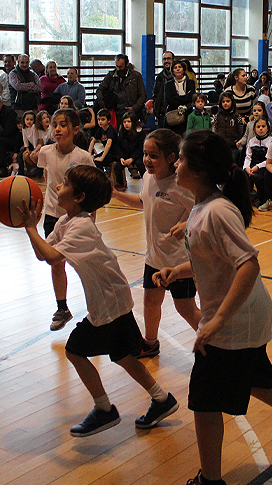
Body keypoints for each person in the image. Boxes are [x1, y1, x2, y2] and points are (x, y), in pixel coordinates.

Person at [154, 130, 272, 485]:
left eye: (181, 158)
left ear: (200, 168)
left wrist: (217, 320)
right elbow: (214, 260)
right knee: (250, 377)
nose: (176, 164)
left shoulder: (218, 211)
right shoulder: (203, 206)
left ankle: (210, 480)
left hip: (236, 317)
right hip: (240, 314)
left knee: (205, 401)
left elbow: (247, 264)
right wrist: (177, 270)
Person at [20, 164, 179, 437]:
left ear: (79, 196)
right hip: (112, 298)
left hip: (109, 302)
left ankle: (104, 409)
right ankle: (163, 400)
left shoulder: (81, 227)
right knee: (123, 356)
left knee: (74, 350)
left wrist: (30, 228)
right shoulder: (65, 222)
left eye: (65, 184)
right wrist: (31, 230)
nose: (58, 187)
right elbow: (43, 255)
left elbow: (52, 257)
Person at [111, 129, 200, 357]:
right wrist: (114, 194)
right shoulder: (148, 178)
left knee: (186, 308)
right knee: (150, 302)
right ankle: (150, 344)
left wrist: (186, 225)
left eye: (153, 156)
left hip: (179, 260)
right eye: (145, 154)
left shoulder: (182, 183)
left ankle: (217, 345)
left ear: (171, 157)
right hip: (154, 256)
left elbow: (202, 211)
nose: (147, 160)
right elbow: (143, 201)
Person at [35, 109, 96, 331]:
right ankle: (62, 307)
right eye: (54, 125)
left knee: (85, 265)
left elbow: (92, 189)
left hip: (78, 217)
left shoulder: (83, 157)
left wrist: (92, 219)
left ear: (76, 129)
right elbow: (47, 180)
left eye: (63, 124)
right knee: (55, 261)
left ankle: (94, 307)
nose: (57, 129)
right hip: (53, 215)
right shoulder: (45, 152)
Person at [97, 54, 147, 124]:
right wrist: (103, 104)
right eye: (117, 66)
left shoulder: (136, 76)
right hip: (114, 111)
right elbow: (99, 89)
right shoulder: (111, 76)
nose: (118, 69)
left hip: (130, 112)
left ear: (127, 64)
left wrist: (134, 108)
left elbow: (142, 95)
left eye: (121, 67)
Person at [242, 117, 272, 207]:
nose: (260, 128)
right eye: (258, 127)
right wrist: (247, 168)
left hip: (265, 165)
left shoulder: (271, 141)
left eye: (263, 126)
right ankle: (248, 198)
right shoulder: (252, 141)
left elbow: (270, 159)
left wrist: (257, 167)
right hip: (252, 165)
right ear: (254, 129)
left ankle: (263, 198)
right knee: (243, 175)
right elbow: (248, 157)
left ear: (268, 128)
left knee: (258, 176)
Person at [90, 109, 122, 188]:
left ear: (108, 120)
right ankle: (101, 179)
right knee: (93, 160)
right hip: (108, 153)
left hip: (115, 153)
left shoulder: (110, 129)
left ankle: (103, 181)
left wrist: (101, 158)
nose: (100, 121)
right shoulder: (100, 129)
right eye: (99, 119)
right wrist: (89, 154)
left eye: (103, 119)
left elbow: (108, 144)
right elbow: (92, 141)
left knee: (98, 162)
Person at [164, 59, 196, 136]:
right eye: (175, 67)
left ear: (183, 69)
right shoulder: (168, 84)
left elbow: (191, 97)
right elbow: (168, 99)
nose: (178, 69)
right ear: (172, 71)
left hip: (187, 113)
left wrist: (176, 97)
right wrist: (184, 98)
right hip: (173, 113)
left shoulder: (190, 83)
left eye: (180, 67)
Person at [116, 111, 145, 182]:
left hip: (137, 155)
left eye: (129, 121)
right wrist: (121, 158)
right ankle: (120, 184)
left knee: (140, 163)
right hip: (125, 156)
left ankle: (146, 182)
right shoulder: (121, 133)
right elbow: (119, 147)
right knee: (117, 167)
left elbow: (140, 148)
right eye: (124, 122)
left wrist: (132, 159)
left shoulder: (139, 132)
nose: (126, 124)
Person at [153, 51, 175, 128]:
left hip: (176, 113)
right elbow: (155, 95)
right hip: (162, 114)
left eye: (168, 59)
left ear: (173, 60)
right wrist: (157, 111)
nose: (166, 61)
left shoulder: (180, 78)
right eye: (164, 59)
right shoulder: (160, 77)